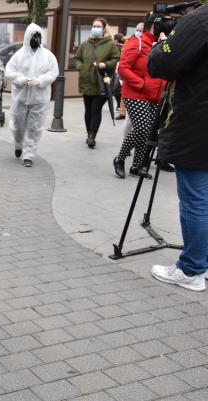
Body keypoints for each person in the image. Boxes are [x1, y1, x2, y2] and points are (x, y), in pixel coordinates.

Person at [148, 3, 208, 292]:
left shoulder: (199, 20)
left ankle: (191, 269)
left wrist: (162, 45)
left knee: (196, 198)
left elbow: (162, 64)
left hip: (198, 124)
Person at [112, 13, 166, 180]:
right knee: (142, 128)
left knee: (148, 131)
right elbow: (123, 69)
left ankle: (137, 166)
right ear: (154, 26)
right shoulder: (137, 42)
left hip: (153, 95)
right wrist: (141, 84)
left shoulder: (159, 45)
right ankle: (119, 159)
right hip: (135, 93)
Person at [5, 23, 58, 168]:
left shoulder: (48, 56)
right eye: (33, 36)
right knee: (18, 125)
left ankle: (29, 155)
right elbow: (9, 71)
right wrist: (22, 79)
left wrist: (40, 81)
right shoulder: (19, 55)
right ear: (28, 37)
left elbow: (53, 73)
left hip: (39, 98)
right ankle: (18, 144)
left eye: (38, 36)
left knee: (35, 127)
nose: (36, 39)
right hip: (21, 97)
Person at [74, 17, 120, 148]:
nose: (95, 28)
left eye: (98, 26)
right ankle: (89, 133)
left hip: (101, 83)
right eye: (94, 26)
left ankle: (92, 136)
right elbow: (77, 58)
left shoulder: (109, 44)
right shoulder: (85, 44)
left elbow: (116, 58)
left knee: (96, 109)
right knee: (88, 110)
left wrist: (104, 64)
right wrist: (80, 66)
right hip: (86, 81)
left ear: (104, 28)